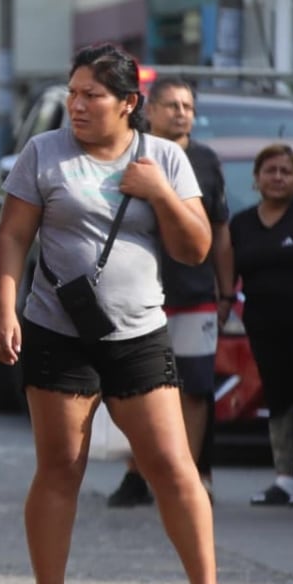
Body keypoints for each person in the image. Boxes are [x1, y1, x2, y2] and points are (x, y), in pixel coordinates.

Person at [0, 43, 253, 584]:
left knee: (173, 466)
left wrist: (158, 192)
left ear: (129, 103)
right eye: (74, 92)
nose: (77, 105)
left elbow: (195, 249)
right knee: (61, 467)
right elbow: (11, 237)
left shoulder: (162, 157)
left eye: (92, 95)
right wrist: (5, 312)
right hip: (58, 330)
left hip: (138, 333)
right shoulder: (43, 152)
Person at [107, 76, 234, 507]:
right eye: (172, 105)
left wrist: (224, 289)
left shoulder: (207, 161)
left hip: (194, 292)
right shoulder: (131, 155)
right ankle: (136, 473)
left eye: (188, 106)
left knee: (195, 387)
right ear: (151, 110)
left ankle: (190, 476)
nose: (182, 113)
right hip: (140, 293)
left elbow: (219, 230)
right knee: (135, 388)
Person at [228, 144, 293, 506]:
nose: (277, 177)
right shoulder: (241, 223)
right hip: (262, 324)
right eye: (270, 170)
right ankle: (285, 479)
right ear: (256, 179)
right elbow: (228, 275)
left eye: (286, 172)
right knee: (279, 398)